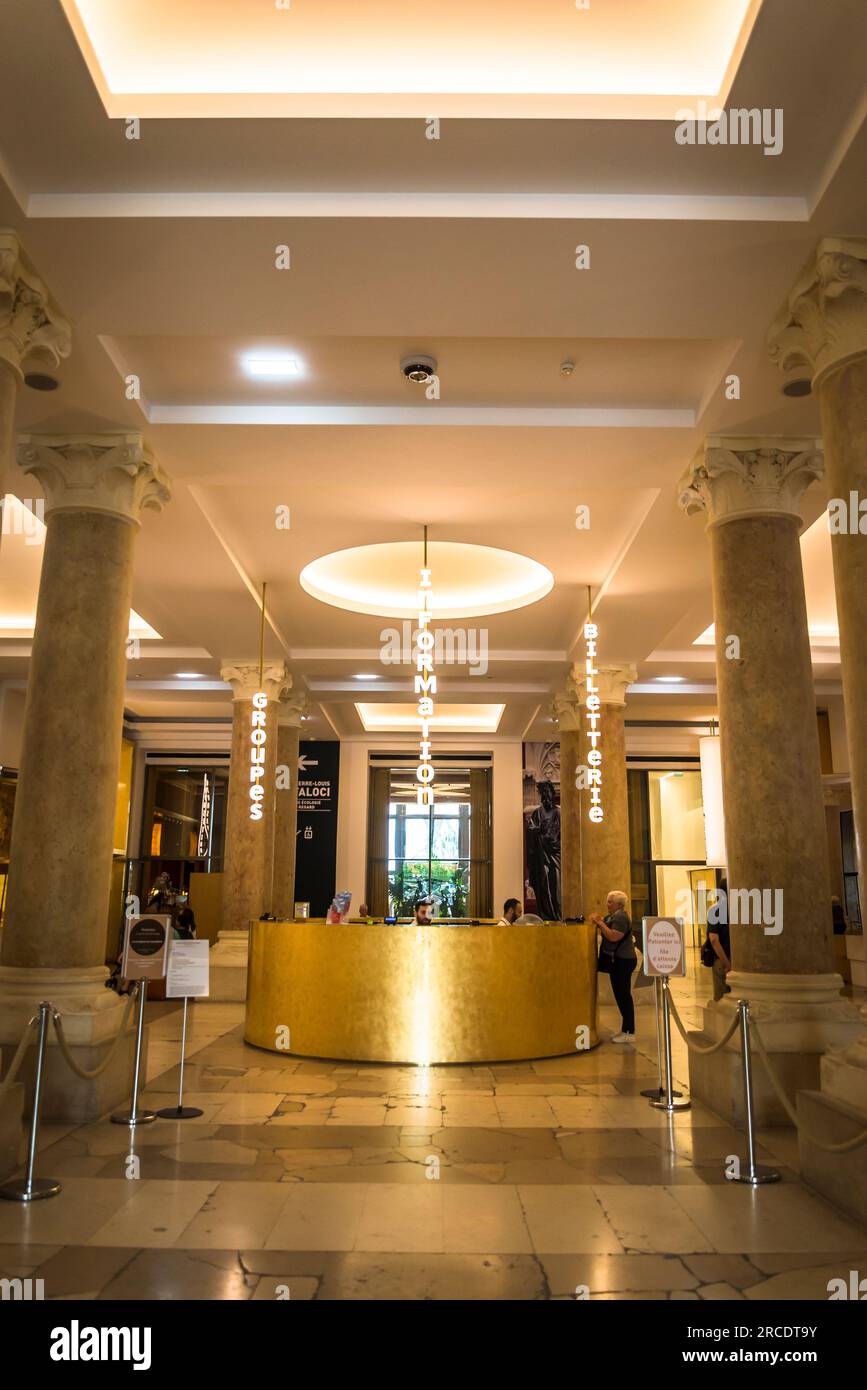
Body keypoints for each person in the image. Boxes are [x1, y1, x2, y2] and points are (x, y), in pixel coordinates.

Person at [590, 890, 636, 1042]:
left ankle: (629, 1032)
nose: (607, 904)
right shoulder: (613, 916)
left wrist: (600, 923)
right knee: (620, 995)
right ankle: (625, 1029)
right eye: (607, 901)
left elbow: (613, 936)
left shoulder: (621, 917)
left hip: (623, 960)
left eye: (610, 902)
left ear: (619, 904)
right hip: (618, 961)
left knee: (624, 996)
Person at [707, 877, 731, 1001]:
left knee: (721, 1002)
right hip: (740, 963)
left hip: (722, 961)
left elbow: (714, 940)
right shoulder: (742, 909)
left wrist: (727, 963)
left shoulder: (714, 911)